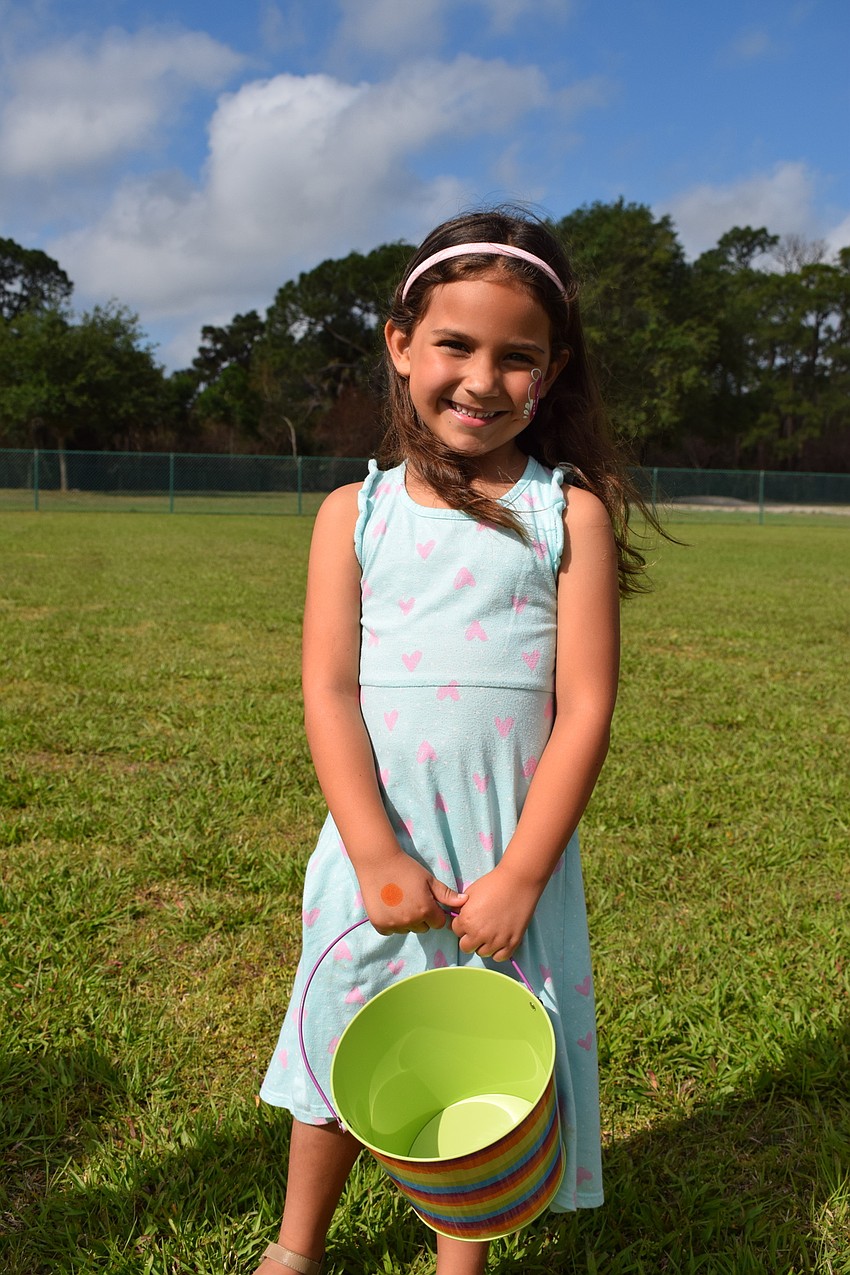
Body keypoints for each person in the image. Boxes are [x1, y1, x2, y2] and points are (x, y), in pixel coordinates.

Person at [255, 208, 656, 1275]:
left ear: (552, 370)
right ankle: (295, 1248)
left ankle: (458, 1263)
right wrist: (376, 854)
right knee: (340, 1035)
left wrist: (523, 872)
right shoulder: (354, 513)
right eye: (455, 345)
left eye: (516, 356)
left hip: (501, 849)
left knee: (481, 1059)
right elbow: (328, 691)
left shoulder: (565, 514)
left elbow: (586, 710)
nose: (482, 378)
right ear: (399, 343)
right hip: (372, 846)